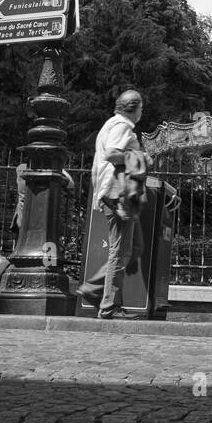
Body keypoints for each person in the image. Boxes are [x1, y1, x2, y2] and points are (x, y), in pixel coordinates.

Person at [77, 90, 149, 318]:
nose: (142, 112)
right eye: (141, 108)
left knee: (135, 247)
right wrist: (141, 159)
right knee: (120, 251)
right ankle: (109, 306)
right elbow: (112, 154)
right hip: (117, 196)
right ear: (134, 108)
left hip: (117, 194)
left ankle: (94, 289)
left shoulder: (111, 124)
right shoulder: (122, 126)